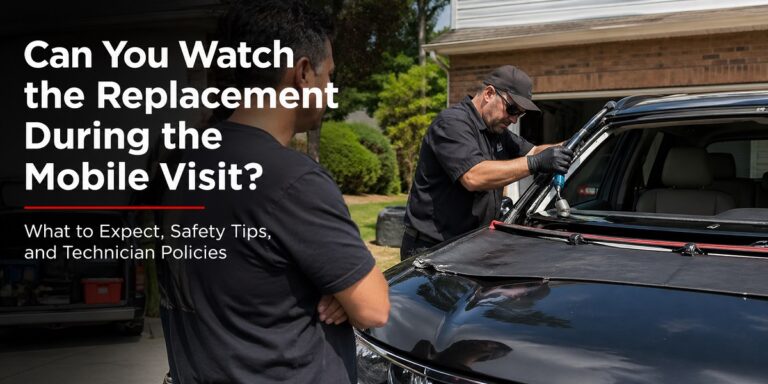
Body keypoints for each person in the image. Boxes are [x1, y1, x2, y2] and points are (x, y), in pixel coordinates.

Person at [158, 1, 389, 383]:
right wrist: (340, 287)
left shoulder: (178, 161)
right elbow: (374, 307)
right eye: (328, 76)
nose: (330, 89)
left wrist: (332, 285)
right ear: (302, 73)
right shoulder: (292, 180)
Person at [401, 65, 573, 259]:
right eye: (512, 109)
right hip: (433, 249)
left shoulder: (496, 131)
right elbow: (474, 176)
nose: (514, 119)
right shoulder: (452, 123)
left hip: (470, 243)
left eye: (520, 114)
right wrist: (536, 163)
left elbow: (534, 151)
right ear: (489, 93)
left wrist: (573, 143)